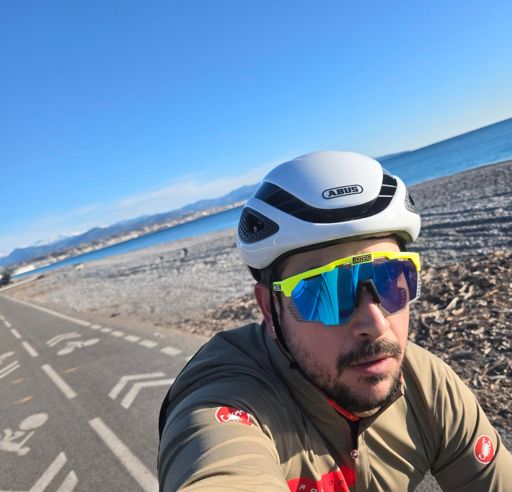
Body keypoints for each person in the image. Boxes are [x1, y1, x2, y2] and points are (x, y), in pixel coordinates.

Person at [158, 151, 512, 491]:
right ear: (269, 307)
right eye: (328, 292)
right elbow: (220, 467)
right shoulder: (229, 397)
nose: (376, 323)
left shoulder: (427, 387)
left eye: (391, 280)